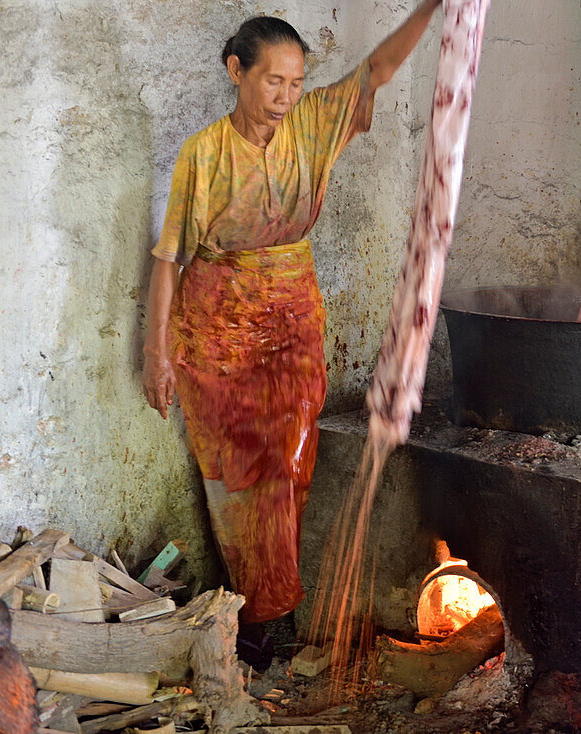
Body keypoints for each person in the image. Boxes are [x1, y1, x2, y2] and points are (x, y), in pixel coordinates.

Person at [141, 2, 442, 664]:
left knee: (293, 456)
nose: (286, 96)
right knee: (238, 474)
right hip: (219, 323)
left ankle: (266, 606)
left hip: (294, 310)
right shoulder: (206, 155)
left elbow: (380, 70)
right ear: (237, 72)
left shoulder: (312, 124)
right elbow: (169, 259)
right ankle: (255, 619)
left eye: (296, 82)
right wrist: (155, 355)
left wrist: (435, 7)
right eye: (274, 81)